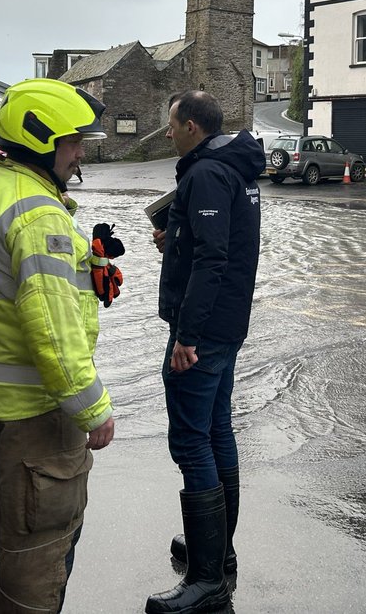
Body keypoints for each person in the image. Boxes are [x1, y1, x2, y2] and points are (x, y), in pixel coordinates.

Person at [0, 78, 120, 614]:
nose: (80, 153)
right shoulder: (40, 215)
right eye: (73, 142)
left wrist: (88, 264)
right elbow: (53, 332)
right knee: (36, 554)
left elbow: (6, 291)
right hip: (35, 419)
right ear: (41, 140)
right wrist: (93, 408)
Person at [146, 90, 263, 614]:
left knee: (192, 442)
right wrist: (175, 237)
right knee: (216, 430)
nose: (168, 132)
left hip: (205, 330)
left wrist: (187, 337)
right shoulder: (232, 168)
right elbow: (218, 242)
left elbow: (213, 257)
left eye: (172, 124)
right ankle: (217, 552)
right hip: (227, 322)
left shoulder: (207, 174)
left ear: (191, 126)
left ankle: (207, 579)